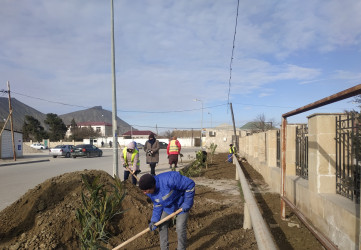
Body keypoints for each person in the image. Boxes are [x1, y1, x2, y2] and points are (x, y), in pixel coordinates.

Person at [139, 172, 195, 250]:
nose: (144, 193)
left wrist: (187, 203)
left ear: (152, 186)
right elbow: (157, 204)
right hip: (168, 207)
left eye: (145, 191)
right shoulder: (150, 192)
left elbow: (190, 184)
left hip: (181, 204)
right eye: (143, 191)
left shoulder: (170, 179)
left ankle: (181, 248)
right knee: (161, 225)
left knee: (180, 227)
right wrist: (154, 220)